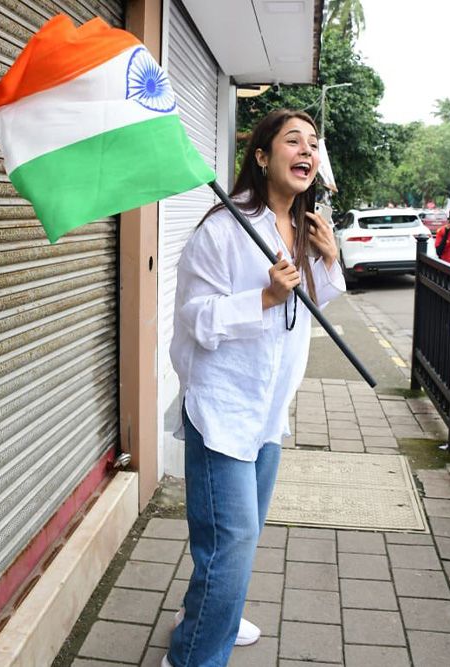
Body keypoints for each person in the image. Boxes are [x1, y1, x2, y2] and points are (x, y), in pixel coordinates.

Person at [163, 109, 345, 667]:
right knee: (232, 544)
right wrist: (262, 299)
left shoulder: (306, 228)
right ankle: (195, 655)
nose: (307, 151)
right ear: (263, 157)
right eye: (293, 141)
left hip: (269, 410)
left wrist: (331, 257)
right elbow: (196, 317)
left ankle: (209, 614)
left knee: (234, 543)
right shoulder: (225, 227)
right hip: (222, 409)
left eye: (313, 143)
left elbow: (320, 302)